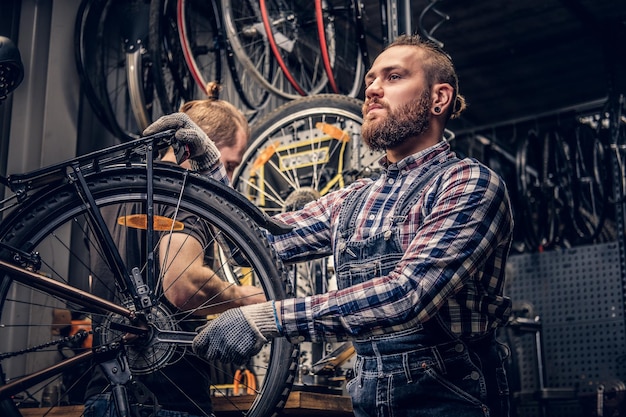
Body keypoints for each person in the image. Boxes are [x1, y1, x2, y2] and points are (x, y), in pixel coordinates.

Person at [145, 34, 514, 417]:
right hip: (369, 396)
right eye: (370, 79)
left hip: (450, 396)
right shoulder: (353, 198)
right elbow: (251, 247)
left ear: (439, 98)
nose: (372, 89)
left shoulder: (468, 183)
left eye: (393, 77)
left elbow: (406, 296)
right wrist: (211, 174)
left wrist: (266, 318)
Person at [83, 82, 263, 417]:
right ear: (200, 149)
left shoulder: (110, 199)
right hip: (169, 401)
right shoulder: (186, 196)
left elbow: (97, 292)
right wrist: (248, 299)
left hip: (103, 394)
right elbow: (184, 286)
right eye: (230, 164)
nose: (229, 178)